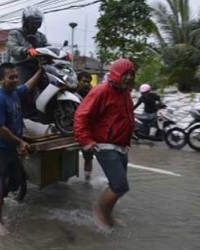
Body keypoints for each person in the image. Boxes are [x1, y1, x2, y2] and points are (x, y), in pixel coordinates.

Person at [74, 58, 135, 230]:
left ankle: (107, 214)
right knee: (119, 185)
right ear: (117, 73)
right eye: (126, 73)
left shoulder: (125, 93)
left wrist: (131, 131)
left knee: (119, 186)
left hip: (121, 146)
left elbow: (126, 115)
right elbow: (81, 115)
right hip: (105, 145)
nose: (129, 77)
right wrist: (85, 139)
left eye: (132, 74)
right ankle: (100, 213)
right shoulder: (101, 91)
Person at [0, 62, 43, 236]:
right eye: (11, 77)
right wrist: (20, 142)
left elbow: (27, 86)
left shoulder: (14, 92)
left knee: (16, 181)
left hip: (11, 148)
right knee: (0, 189)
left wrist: (41, 70)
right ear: (1, 79)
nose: (15, 80)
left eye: (16, 76)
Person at [7, 6, 49, 119]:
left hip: (38, 65)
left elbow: (48, 47)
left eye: (38, 23)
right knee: (24, 89)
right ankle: (26, 114)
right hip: (21, 65)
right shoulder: (15, 33)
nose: (35, 25)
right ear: (25, 22)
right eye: (32, 23)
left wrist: (62, 53)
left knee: (49, 82)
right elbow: (12, 48)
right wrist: (25, 50)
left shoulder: (41, 36)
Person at [76, 71, 94, 181]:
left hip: (86, 129)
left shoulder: (92, 93)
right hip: (71, 127)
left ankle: (87, 178)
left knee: (88, 156)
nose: (86, 84)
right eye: (84, 81)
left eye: (88, 82)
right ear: (78, 81)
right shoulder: (71, 90)